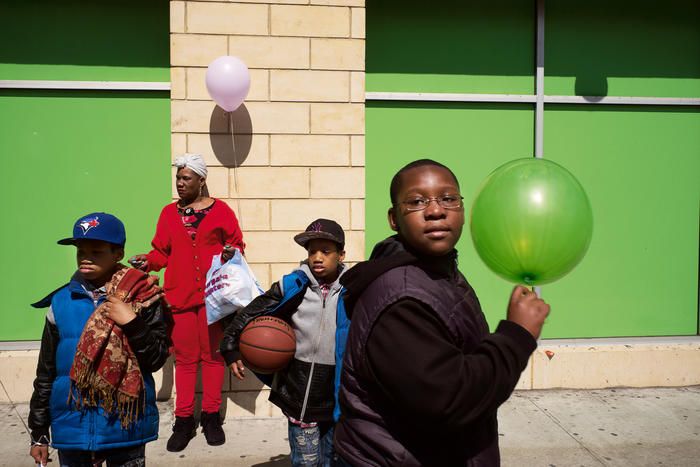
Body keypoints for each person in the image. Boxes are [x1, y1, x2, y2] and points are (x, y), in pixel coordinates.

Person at [334, 159, 551, 466]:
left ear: (462, 210)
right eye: (417, 201)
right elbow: (451, 399)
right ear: (394, 218)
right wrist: (516, 336)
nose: (435, 210)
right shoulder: (400, 299)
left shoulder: (439, 273)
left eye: (448, 198)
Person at [28, 212, 170, 467]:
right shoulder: (60, 302)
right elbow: (46, 373)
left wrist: (132, 322)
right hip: (73, 428)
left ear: (118, 254)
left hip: (125, 427)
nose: (85, 258)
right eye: (81, 251)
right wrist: (38, 433)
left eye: (96, 251)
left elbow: (156, 359)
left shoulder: (144, 297)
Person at [130, 154, 245, 452]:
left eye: (186, 179)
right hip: (180, 297)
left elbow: (237, 244)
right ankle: (183, 420)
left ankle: (210, 417)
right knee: (184, 359)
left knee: (213, 357)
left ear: (201, 180)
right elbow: (161, 253)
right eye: (178, 179)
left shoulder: (222, 211)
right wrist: (148, 261)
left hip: (213, 298)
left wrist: (231, 252)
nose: (180, 184)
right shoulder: (168, 214)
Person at [220, 219, 349, 467]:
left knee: (333, 460)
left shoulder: (352, 289)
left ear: (341, 254)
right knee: (306, 462)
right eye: (312, 251)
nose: (318, 257)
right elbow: (251, 312)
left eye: (326, 251)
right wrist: (230, 345)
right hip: (299, 389)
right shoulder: (293, 285)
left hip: (335, 391)